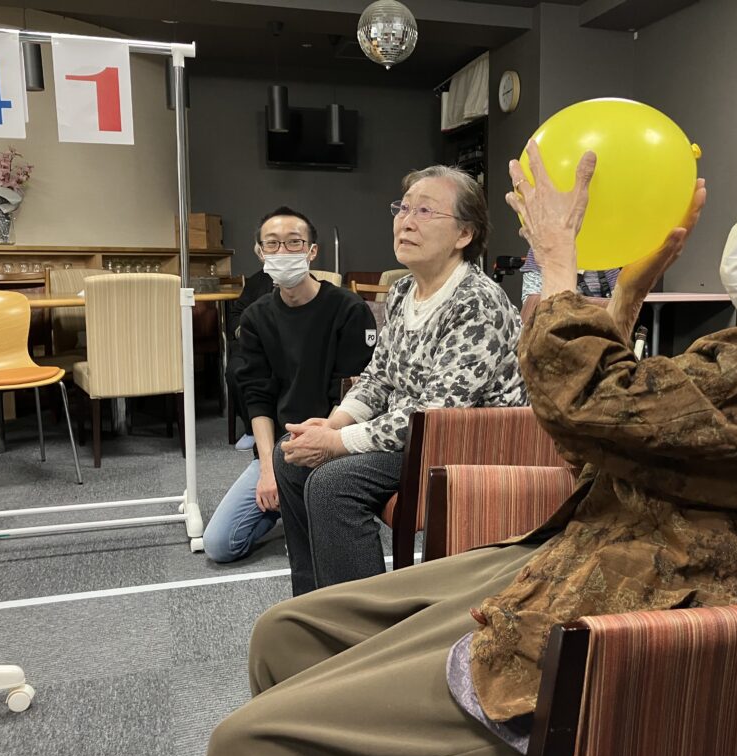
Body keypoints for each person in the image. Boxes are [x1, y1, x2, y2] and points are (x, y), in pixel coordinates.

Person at [207, 111, 737, 756]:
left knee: (247, 744)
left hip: (649, 633)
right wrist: (629, 292)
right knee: (286, 633)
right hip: (601, 554)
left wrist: (557, 262)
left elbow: (591, 408)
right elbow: (613, 439)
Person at [271, 165, 528, 595]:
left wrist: (337, 442)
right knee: (290, 458)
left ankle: (367, 622)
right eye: (403, 209)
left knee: (334, 484)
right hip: (414, 438)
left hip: (470, 445)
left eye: (425, 211)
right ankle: (316, 606)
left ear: (464, 234)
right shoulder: (404, 290)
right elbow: (379, 376)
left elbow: (436, 414)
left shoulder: (477, 301)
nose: (406, 222)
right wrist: (334, 424)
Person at [202, 206, 376, 564]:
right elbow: (257, 397)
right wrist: (269, 469)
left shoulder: (348, 309)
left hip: (333, 444)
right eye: (272, 244)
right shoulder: (256, 317)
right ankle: (288, 505)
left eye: (294, 243)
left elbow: (353, 395)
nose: (283, 252)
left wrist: (319, 447)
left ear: (312, 251)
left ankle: (305, 506)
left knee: (317, 549)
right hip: (280, 449)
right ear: (260, 252)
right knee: (220, 544)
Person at [226, 269, 274, 452]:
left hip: (287, 346)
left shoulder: (306, 282)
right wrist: (245, 332)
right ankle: (252, 428)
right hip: (252, 345)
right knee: (235, 371)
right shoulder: (257, 281)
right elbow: (235, 315)